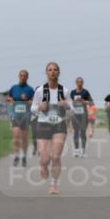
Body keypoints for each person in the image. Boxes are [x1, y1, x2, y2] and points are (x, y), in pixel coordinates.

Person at [32, 62, 70, 194]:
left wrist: (67, 106)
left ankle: (54, 185)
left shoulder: (64, 91)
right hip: (43, 124)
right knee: (45, 159)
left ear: (59, 72)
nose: (52, 72)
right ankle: (43, 166)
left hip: (59, 124)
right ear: (46, 73)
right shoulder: (40, 91)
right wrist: (39, 108)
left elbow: (71, 111)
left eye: (55, 70)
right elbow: (33, 109)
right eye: (50, 70)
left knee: (56, 156)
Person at [6, 70, 34, 167]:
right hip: (16, 115)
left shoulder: (30, 89)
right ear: (19, 76)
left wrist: (27, 100)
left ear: (27, 77)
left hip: (26, 116)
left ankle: (24, 156)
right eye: (21, 76)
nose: (23, 77)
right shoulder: (14, 88)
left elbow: (34, 101)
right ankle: (16, 156)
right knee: (16, 136)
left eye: (25, 76)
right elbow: (8, 97)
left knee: (25, 138)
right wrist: (11, 100)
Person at [69, 76, 93, 157]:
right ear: (76, 83)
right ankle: (76, 150)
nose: (79, 83)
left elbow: (91, 103)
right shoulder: (72, 92)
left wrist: (84, 101)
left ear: (83, 83)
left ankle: (83, 150)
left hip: (83, 115)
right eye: (78, 82)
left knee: (82, 132)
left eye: (81, 82)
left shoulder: (85, 92)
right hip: (75, 115)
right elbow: (70, 102)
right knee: (76, 132)